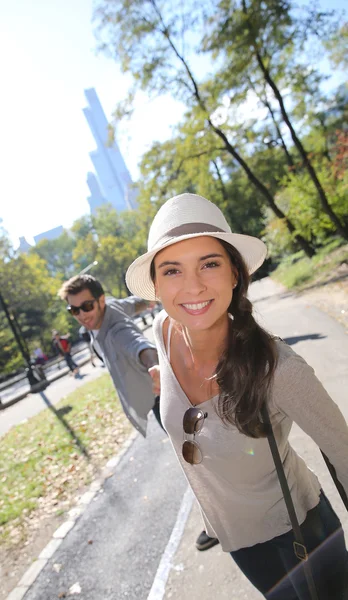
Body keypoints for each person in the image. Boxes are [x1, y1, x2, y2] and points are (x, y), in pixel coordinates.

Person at [125, 193, 348, 599]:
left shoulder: (279, 370)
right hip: (238, 543)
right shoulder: (163, 330)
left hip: (301, 537)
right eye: (172, 270)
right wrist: (163, 379)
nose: (192, 286)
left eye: (209, 263)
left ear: (234, 274)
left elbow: (344, 452)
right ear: (156, 287)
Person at [58, 274, 218, 551]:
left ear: (100, 301)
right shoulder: (113, 308)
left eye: (86, 306)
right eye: (73, 309)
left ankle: (219, 521)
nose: (81, 315)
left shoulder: (115, 328)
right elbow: (137, 304)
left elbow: (138, 345)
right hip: (162, 395)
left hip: (163, 397)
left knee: (195, 459)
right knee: (198, 453)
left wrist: (155, 365)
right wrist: (161, 299)